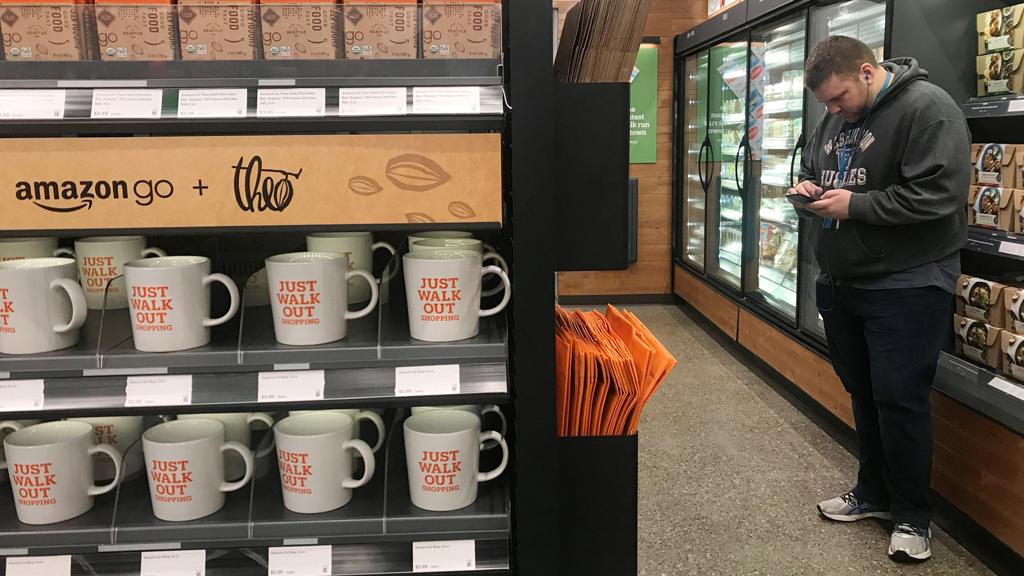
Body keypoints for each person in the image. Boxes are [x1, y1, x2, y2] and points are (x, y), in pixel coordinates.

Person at [788, 36, 970, 563]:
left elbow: (940, 196)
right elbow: (829, 180)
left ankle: (913, 516)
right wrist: (809, 192)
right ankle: (872, 493)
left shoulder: (929, 110)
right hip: (845, 284)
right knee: (864, 395)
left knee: (900, 399)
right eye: (825, 103)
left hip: (908, 285)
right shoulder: (835, 120)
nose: (833, 109)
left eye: (839, 97)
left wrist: (857, 207)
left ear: (867, 72)